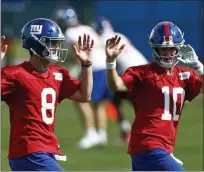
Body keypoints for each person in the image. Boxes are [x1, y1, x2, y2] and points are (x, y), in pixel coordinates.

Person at [105, 21, 203, 171]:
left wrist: (198, 67)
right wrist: (111, 62)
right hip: (148, 143)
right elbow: (116, 85)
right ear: (155, 49)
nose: (168, 53)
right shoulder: (143, 72)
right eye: (163, 49)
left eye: (171, 48)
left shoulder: (185, 75)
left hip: (162, 147)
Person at [1, 18, 94, 171]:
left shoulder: (58, 73)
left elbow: (84, 96)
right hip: (29, 151)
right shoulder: (15, 74)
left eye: (57, 43)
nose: (56, 47)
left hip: (46, 150)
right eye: (52, 42)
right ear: (36, 43)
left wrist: (86, 65)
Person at [54, 7, 112, 149]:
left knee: (80, 99)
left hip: (93, 67)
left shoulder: (71, 32)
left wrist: (75, 70)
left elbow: (78, 49)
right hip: (104, 65)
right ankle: (101, 135)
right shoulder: (87, 28)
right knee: (99, 103)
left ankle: (90, 134)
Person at [93, 16, 148, 142]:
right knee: (120, 99)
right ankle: (129, 130)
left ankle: (132, 131)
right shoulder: (120, 35)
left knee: (124, 100)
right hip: (144, 67)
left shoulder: (102, 39)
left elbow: (104, 62)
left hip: (131, 72)